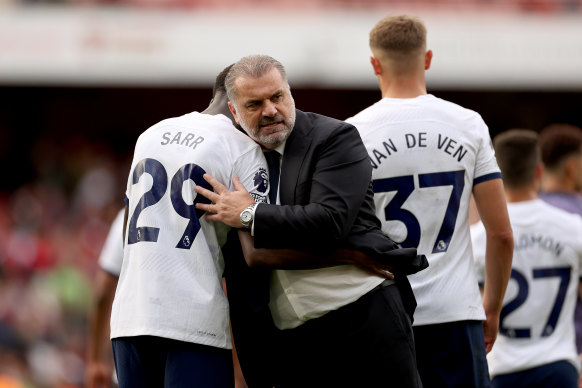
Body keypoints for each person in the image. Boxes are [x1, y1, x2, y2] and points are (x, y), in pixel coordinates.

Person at [195, 54, 425, 388]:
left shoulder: (334, 138)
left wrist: (250, 214)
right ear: (234, 111)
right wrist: (348, 253)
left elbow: (330, 221)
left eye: (277, 97)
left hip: (363, 315)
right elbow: (254, 256)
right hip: (292, 339)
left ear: (290, 93)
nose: (271, 111)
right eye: (254, 104)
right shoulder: (231, 157)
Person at [345, 14, 514, 388]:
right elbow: (501, 234)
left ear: (374, 64)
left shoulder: (352, 132)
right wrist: (492, 309)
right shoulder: (468, 123)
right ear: (428, 58)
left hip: (383, 315)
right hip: (456, 314)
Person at [109, 65, 270, 388]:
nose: (265, 114)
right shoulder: (243, 149)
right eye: (255, 104)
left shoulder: (150, 134)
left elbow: (127, 230)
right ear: (236, 103)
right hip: (194, 322)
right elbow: (254, 256)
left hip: (130, 319)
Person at [471, 129, 582, 387]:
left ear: (497, 174)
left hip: (501, 369)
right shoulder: (574, 228)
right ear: (539, 172)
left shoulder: (477, 238)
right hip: (559, 367)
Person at [538, 124, 582, 360]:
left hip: (521, 350)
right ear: (571, 167)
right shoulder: (577, 215)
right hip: (572, 347)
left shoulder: (518, 215)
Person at [86, 208, 124, 388]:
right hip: (193, 347)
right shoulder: (205, 207)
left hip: (134, 350)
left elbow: (102, 291)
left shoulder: (130, 211)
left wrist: (95, 360)